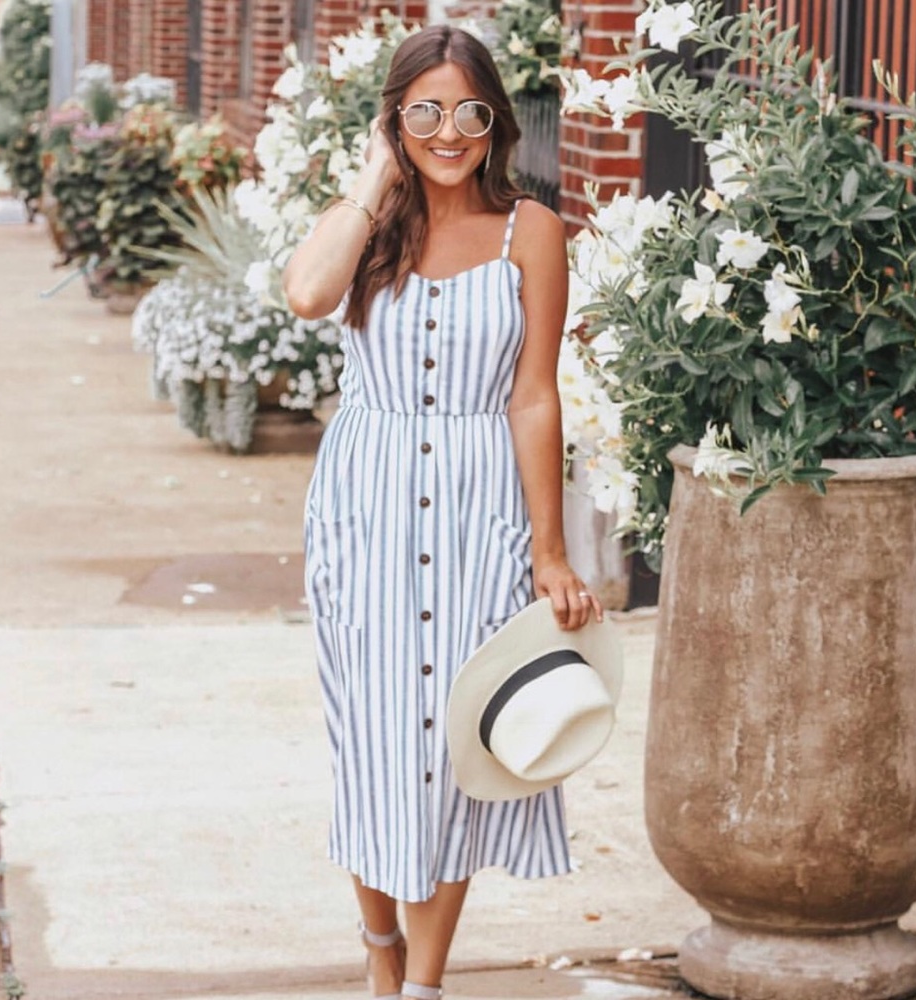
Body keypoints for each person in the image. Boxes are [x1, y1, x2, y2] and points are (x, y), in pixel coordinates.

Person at [283, 23, 604, 1000]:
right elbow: (305, 294)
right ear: (394, 121)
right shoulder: (368, 225)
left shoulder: (531, 231)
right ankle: (378, 939)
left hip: (480, 509)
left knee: (453, 742)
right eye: (423, 110)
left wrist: (548, 551)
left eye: (469, 109)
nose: (448, 130)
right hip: (366, 507)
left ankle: (418, 983)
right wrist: (377, 176)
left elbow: (534, 394)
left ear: (495, 120)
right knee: (376, 736)